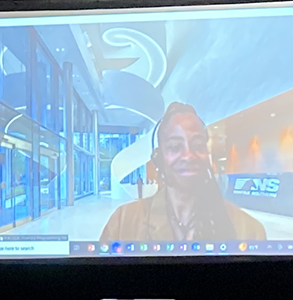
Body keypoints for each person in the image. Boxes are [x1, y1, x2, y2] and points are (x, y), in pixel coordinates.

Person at [99, 102, 266, 244]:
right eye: (174, 147)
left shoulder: (249, 231)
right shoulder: (123, 223)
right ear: (158, 158)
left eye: (198, 145)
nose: (188, 156)